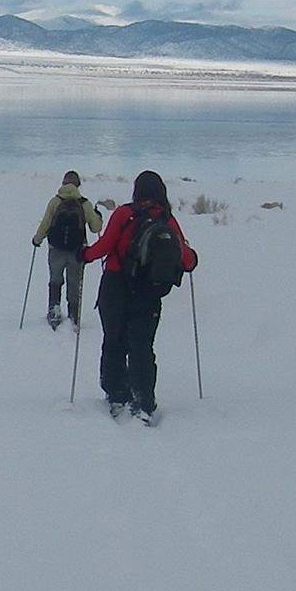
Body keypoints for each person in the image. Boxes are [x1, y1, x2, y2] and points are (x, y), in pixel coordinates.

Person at [80, 170, 198, 424]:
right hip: (149, 292)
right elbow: (186, 260)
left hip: (115, 286)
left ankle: (116, 395)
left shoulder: (124, 213)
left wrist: (84, 255)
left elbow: (105, 246)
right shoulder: (166, 219)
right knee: (142, 347)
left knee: (114, 341)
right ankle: (143, 400)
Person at [31, 171, 102, 329]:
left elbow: (46, 223)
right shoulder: (84, 204)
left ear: (63, 183)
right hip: (77, 250)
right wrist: (99, 216)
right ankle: (73, 316)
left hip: (56, 248)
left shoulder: (55, 201)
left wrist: (37, 239)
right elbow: (95, 227)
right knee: (74, 282)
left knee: (55, 279)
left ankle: (54, 310)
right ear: (78, 185)